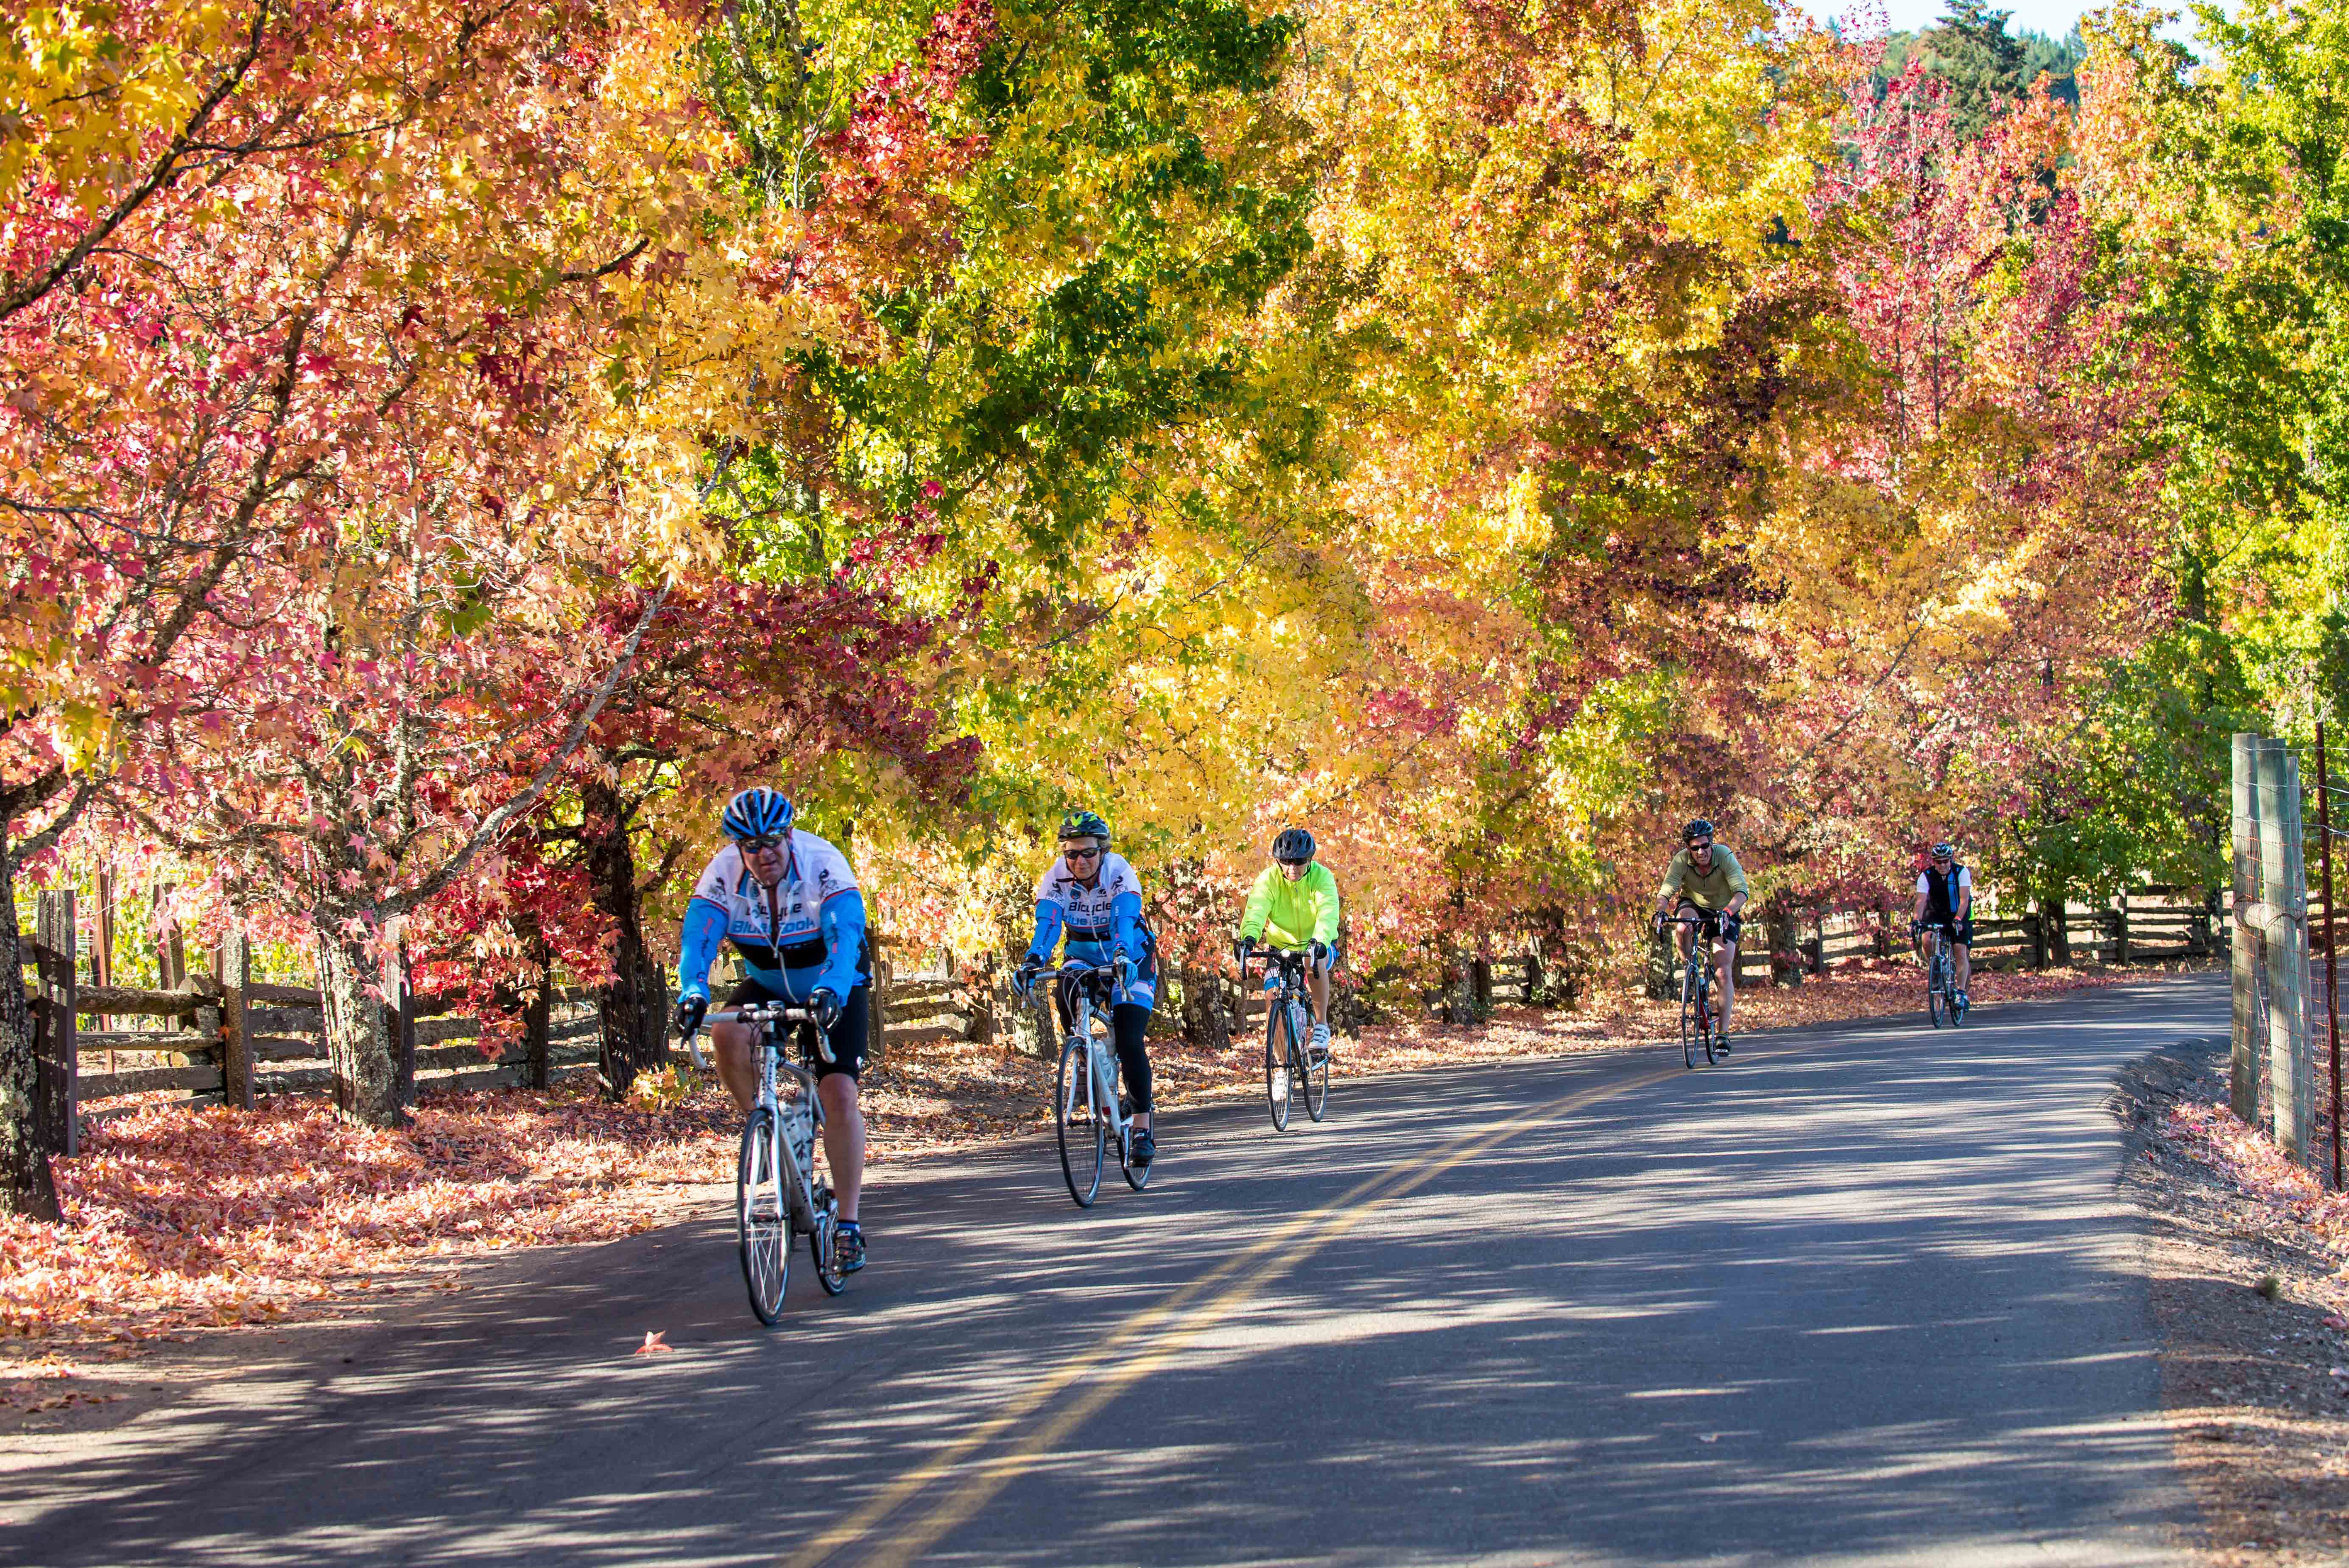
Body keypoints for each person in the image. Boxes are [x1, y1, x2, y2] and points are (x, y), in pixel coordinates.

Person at [673, 787, 873, 1272]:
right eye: (750, 845)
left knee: (839, 1092)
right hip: (767, 979)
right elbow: (698, 940)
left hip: (833, 978)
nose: (763, 855)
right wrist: (692, 991)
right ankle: (766, 1126)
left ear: (789, 835)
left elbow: (846, 937)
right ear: (737, 847)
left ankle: (847, 1223)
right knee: (726, 1033)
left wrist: (832, 990)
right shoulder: (722, 873)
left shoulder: (823, 862)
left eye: (772, 842)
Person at [1015, 811, 1162, 1168]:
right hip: (1081, 954)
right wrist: (1033, 959)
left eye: (1088, 853)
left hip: (1131, 955)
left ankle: (1142, 1128)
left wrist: (1123, 953)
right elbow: (1048, 923)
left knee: (1129, 1040)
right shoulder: (1056, 877)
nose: (1079, 861)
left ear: (1103, 851)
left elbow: (1125, 918)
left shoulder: (1118, 871)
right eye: (1072, 853)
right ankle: (1082, 1054)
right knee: (1066, 987)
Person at [1235, 827, 1343, 1069]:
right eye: (1286, 861)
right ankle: (1283, 1066)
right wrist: (1249, 939)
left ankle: (1321, 1025)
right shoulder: (1269, 879)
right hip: (1280, 948)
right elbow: (1256, 910)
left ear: (1310, 860)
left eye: (1299, 861)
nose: (1292, 868)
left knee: (1311, 962)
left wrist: (1319, 942)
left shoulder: (1322, 877)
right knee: (1273, 998)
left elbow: (1328, 914)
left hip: (1318, 945)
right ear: (1278, 860)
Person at [1654, 818, 1749, 1046]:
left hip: (1725, 908)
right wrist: (1660, 911)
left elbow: (1742, 891)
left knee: (1723, 972)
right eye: (1694, 848)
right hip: (1694, 903)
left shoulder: (1724, 856)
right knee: (1683, 924)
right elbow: (1667, 889)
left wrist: (1728, 911)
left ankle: (1723, 1034)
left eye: (1705, 846)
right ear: (1689, 849)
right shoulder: (1681, 861)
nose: (1700, 852)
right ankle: (1691, 969)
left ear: (1711, 844)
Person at [1911, 840, 1973, 1013]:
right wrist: (1916, 920)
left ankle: (1961, 993)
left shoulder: (1961, 872)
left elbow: (1964, 900)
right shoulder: (1927, 876)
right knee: (1927, 938)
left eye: (1946, 861)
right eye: (1939, 861)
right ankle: (1937, 968)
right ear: (1934, 862)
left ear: (1951, 860)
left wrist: (1959, 918)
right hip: (1936, 912)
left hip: (1958, 913)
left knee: (1961, 951)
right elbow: (1921, 900)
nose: (1943, 865)